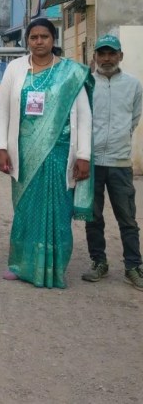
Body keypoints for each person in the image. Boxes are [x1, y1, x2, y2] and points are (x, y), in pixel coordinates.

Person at [0, 17, 93, 289]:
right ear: (27, 41)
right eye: (34, 37)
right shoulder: (15, 68)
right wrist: (1, 148)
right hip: (24, 153)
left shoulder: (71, 72)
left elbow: (84, 116)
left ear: (53, 39)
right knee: (25, 210)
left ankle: (54, 268)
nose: (39, 41)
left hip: (60, 153)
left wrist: (83, 155)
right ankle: (19, 265)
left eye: (44, 37)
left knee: (58, 212)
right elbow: (2, 109)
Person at [81, 34, 143, 290]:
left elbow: (134, 118)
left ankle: (133, 266)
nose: (107, 59)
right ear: (95, 56)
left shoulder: (133, 85)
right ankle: (99, 262)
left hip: (119, 162)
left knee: (127, 218)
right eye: (102, 54)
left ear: (120, 56)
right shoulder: (86, 84)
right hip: (92, 162)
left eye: (112, 53)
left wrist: (120, 138)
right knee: (93, 217)